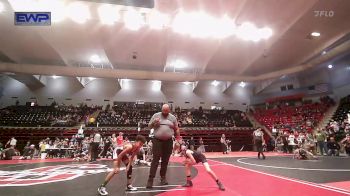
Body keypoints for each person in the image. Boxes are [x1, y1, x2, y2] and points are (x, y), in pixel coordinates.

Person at [146, 104, 180, 188]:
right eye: (163, 111)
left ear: (169, 110)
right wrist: (154, 123)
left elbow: (177, 129)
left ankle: (163, 177)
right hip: (157, 140)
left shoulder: (172, 118)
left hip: (168, 141)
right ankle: (150, 179)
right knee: (155, 160)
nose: (164, 113)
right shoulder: (156, 115)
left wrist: (178, 140)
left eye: (166, 111)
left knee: (165, 160)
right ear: (161, 110)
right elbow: (149, 126)